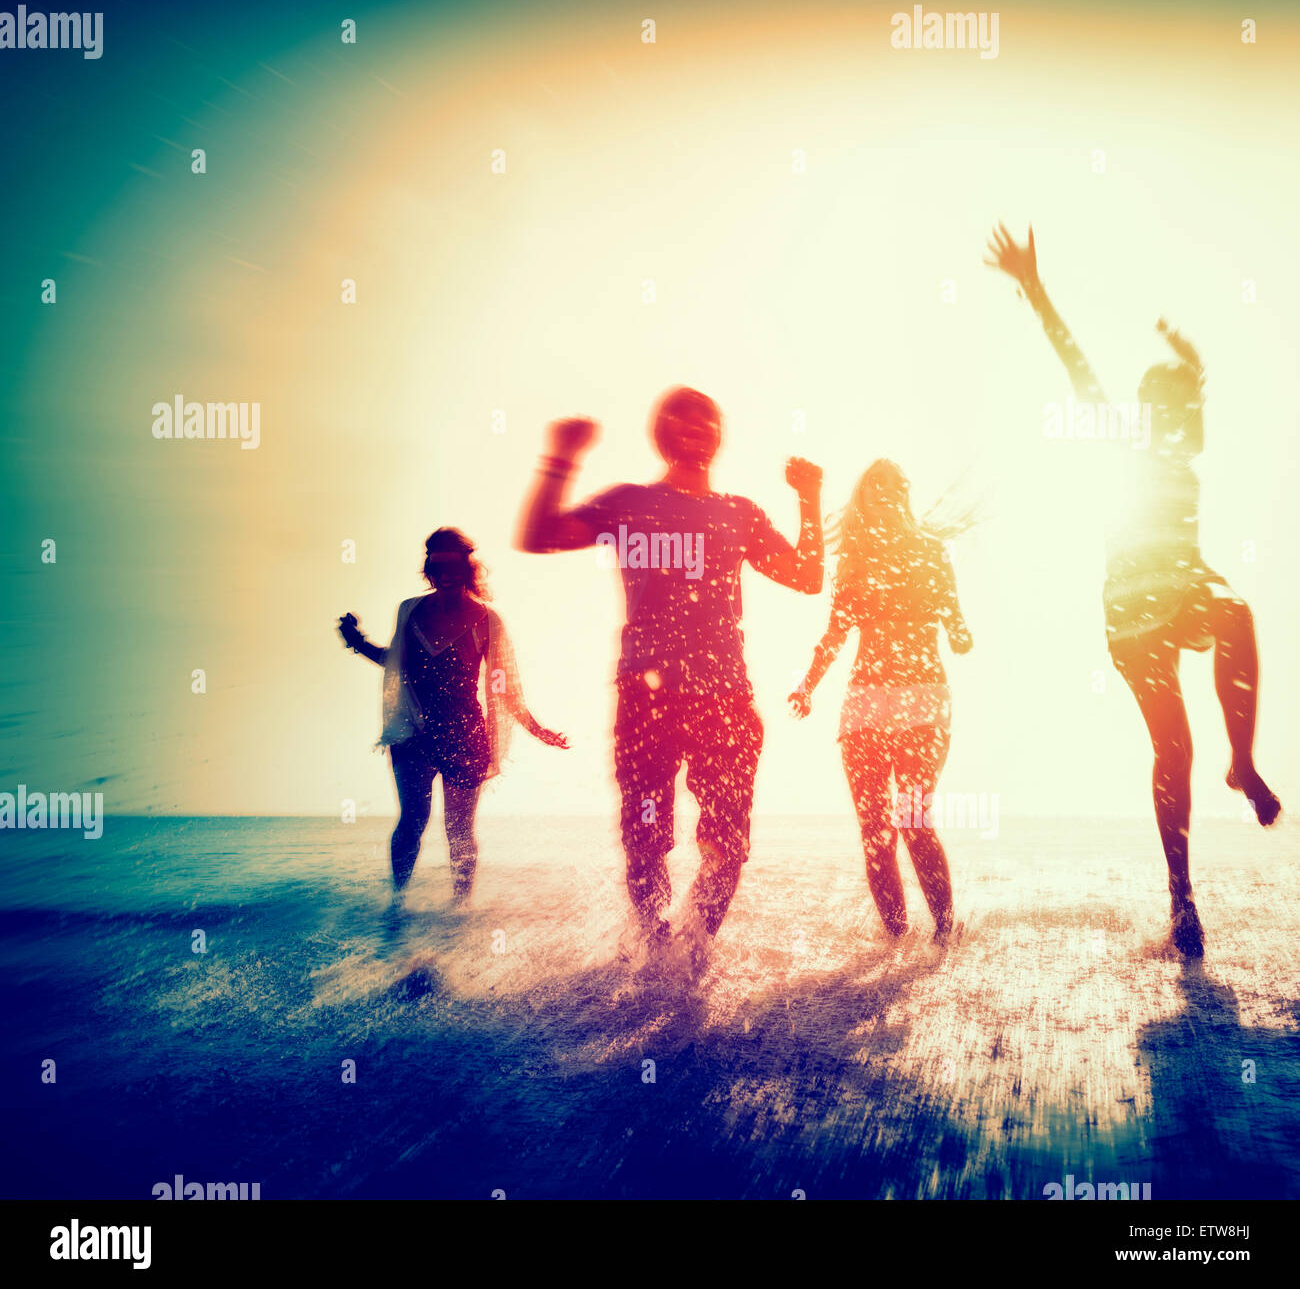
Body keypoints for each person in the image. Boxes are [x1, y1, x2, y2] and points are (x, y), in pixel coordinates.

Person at [985, 223, 1280, 956]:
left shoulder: (1186, 445)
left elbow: (1194, 398)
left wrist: (1189, 367)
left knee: (1236, 609)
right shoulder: (1120, 438)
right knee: (1172, 747)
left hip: (1186, 585)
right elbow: (1076, 363)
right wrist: (1035, 289)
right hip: (1130, 613)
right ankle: (1181, 895)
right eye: (1160, 405)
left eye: (1179, 407)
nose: (1172, 417)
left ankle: (1241, 762)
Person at [516, 387, 823, 972]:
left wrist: (809, 499)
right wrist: (560, 458)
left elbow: (807, 577)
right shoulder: (629, 503)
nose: (693, 427)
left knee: (729, 842)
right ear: (660, 434)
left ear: (719, 434)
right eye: (678, 419)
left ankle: (695, 951)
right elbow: (540, 535)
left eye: (706, 418)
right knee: (645, 834)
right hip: (645, 696)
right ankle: (658, 952)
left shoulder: (740, 513)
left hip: (726, 698)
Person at [790, 461, 973, 942]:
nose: (886, 493)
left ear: (904, 496)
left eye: (895, 486)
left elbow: (956, 623)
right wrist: (807, 685)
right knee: (876, 830)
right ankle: (895, 946)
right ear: (865, 499)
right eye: (877, 487)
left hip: (922, 698)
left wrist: (960, 631)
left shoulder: (933, 552)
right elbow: (835, 634)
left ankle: (944, 934)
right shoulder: (854, 561)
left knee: (913, 818)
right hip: (866, 701)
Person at [338, 528, 568, 900]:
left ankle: (460, 913)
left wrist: (536, 728)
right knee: (413, 821)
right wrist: (358, 643)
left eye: (453, 564)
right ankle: (396, 907)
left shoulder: (486, 620)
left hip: (465, 735)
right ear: (429, 568)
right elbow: (396, 664)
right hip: (413, 731)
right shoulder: (410, 611)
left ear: (466, 568)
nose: (444, 573)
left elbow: (502, 685)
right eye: (436, 564)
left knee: (458, 830)